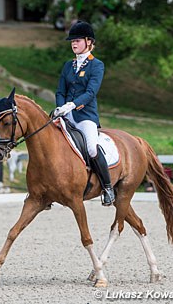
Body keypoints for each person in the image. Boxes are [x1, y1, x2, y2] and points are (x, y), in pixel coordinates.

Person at [53, 20, 115, 206]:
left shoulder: (97, 65)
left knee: (91, 148)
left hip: (85, 116)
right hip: (65, 114)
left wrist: (71, 105)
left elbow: (90, 93)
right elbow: (60, 91)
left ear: (88, 42)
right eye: (72, 40)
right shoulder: (67, 66)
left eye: (77, 40)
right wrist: (60, 108)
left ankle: (107, 188)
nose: (73, 43)